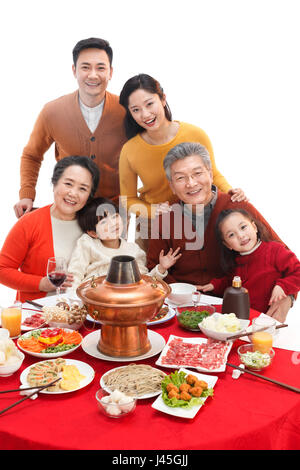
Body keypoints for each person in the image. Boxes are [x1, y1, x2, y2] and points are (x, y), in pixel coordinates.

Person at [146, 142, 294, 322]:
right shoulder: (165, 218)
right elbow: (152, 272)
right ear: (171, 185)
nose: (191, 183)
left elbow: (282, 254)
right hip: (182, 310)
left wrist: (289, 297)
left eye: (197, 173)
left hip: (238, 309)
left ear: (210, 173)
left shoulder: (239, 207)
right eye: (181, 178)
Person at [14, 37, 127, 218]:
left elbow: (146, 150)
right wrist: (27, 194)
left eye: (100, 67)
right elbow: (32, 155)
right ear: (74, 70)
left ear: (110, 72)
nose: (92, 75)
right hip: (68, 209)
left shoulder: (127, 110)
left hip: (112, 212)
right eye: (85, 67)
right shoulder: (53, 111)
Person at [119, 73, 247, 223]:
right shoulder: (129, 150)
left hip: (201, 215)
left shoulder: (195, 134)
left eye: (149, 104)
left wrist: (232, 193)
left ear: (163, 99)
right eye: (136, 110)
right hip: (158, 223)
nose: (145, 114)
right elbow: (127, 200)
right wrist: (153, 211)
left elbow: (213, 175)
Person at [0, 156, 100, 302]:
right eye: (68, 184)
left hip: (82, 314)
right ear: (54, 184)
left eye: (83, 188)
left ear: (89, 195)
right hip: (37, 315)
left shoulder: (93, 226)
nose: (73, 193)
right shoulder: (29, 222)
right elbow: (2, 270)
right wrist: (41, 284)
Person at [197, 209, 300, 321]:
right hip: (245, 320)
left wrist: (283, 286)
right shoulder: (237, 263)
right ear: (227, 244)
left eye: (243, 227)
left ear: (254, 227)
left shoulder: (275, 250)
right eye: (231, 235)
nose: (241, 236)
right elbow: (230, 282)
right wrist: (214, 285)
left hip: (268, 319)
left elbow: (297, 272)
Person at [67, 197, 181, 290]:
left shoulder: (133, 250)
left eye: (115, 216)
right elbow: (74, 275)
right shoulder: (87, 243)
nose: (113, 224)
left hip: (125, 297)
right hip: (93, 293)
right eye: (104, 222)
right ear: (93, 233)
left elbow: (144, 282)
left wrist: (161, 268)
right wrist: (72, 302)